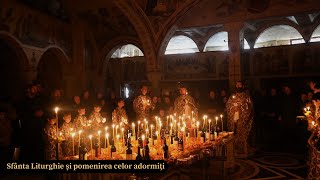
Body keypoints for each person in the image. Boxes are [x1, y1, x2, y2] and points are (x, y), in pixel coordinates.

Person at [226, 81, 254, 157]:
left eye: (239, 85)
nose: (238, 86)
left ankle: (245, 151)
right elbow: (228, 106)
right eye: (237, 85)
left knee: (243, 135)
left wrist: (240, 108)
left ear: (242, 86)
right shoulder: (232, 96)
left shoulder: (246, 96)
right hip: (235, 118)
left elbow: (250, 107)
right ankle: (236, 150)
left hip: (243, 119)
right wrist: (233, 108)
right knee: (235, 134)